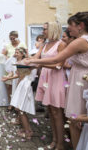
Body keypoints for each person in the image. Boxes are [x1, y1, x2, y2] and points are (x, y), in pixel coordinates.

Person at [25, 12, 88, 149]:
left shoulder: (81, 41)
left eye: (70, 25)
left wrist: (32, 60)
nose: (68, 28)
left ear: (81, 26)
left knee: (75, 120)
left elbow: (57, 60)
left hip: (81, 80)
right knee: (84, 119)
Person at [30, 22, 67, 150]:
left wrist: (40, 65)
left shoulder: (61, 44)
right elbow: (35, 58)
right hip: (46, 78)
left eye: (45, 29)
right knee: (50, 112)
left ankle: (60, 145)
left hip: (56, 78)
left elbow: (59, 65)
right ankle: (54, 141)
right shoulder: (44, 45)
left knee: (57, 112)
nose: (43, 31)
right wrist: (24, 62)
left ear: (52, 30)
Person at [2, 31, 27, 112]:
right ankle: (10, 104)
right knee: (9, 87)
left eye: (13, 38)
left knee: (18, 86)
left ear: (17, 37)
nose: (12, 40)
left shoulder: (22, 44)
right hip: (10, 69)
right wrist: (8, 59)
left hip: (19, 68)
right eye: (10, 38)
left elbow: (27, 55)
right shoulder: (7, 45)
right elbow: (2, 54)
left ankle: (17, 105)